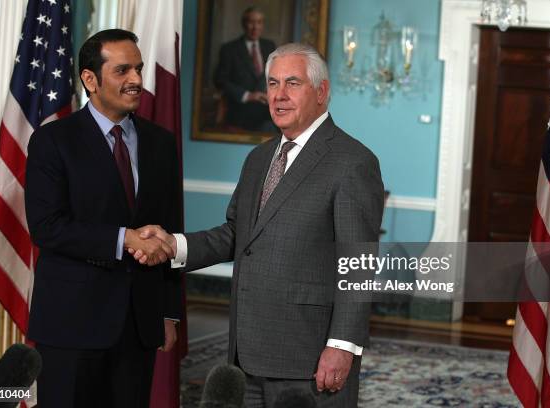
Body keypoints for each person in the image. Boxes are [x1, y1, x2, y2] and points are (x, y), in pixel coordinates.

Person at [136, 43, 385, 407]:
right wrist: (173, 246)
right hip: (246, 353)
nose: (279, 95)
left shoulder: (352, 162)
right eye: (272, 83)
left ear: (322, 91)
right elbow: (236, 235)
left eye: (293, 83)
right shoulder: (258, 158)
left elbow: (359, 265)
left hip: (310, 355)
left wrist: (342, 346)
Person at [24, 29, 182, 408]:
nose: (137, 81)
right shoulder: (53, 140)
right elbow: (47, 227)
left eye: (139, 69)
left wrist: (169, 313)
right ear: (90, 79)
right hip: (70, 324)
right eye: (123, 70)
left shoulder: (160, 142)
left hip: (139, 323)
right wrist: (124, 239)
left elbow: (172, 230)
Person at [214, 6, 276, 131]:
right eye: (251, 22)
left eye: (259, 22)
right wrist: (248, 95)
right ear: (243, 24)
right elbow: (220, 80)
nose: (255, 27)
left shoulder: (270, 46)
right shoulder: (229, 49)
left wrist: (270, 94)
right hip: (240, 109)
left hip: (267, 110)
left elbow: (276, 75)